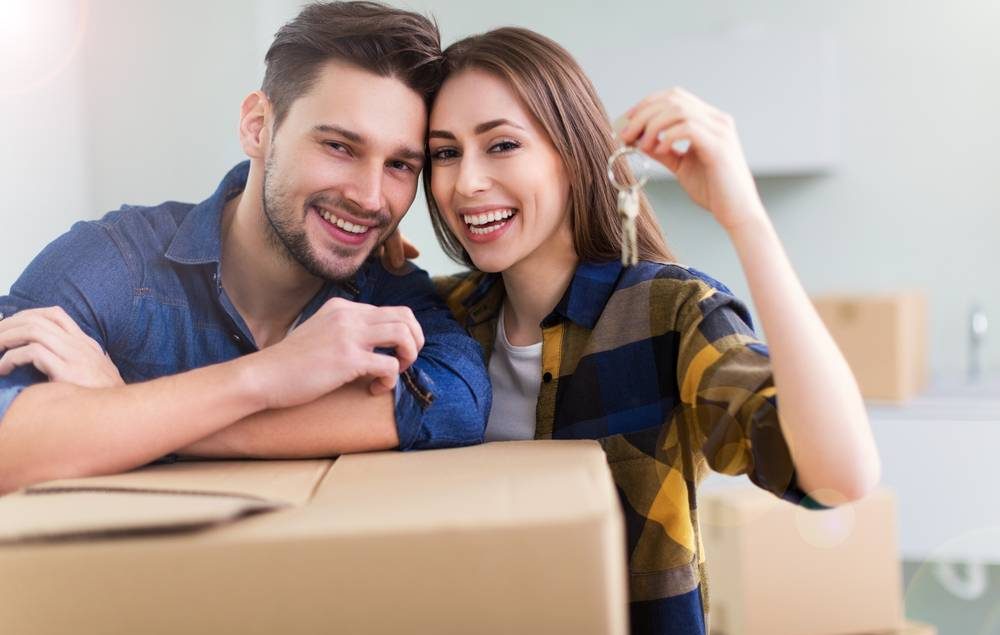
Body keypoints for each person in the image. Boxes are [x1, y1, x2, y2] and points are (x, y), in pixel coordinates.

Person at [426, 27, 880, 635]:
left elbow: (836, 478)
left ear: (573, 153)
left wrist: (742, 217)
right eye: (444, 153)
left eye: (502, 145)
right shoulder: (440, 315)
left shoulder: (666, 310)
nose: (465, 183)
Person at [0, 2, 490, 495]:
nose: (369, 197)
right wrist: (266, 377)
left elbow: (458, 401)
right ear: (258, 127)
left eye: (400, 165)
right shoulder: (114, 262)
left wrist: (125, 410)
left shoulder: (386, 286)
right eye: (339, 147)